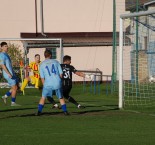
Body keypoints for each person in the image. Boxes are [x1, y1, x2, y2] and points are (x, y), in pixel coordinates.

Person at [36, 50, 69, 116]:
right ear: (50, 55)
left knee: (43, 97)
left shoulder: (42, 64)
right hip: (57, 82)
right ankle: (65, 111)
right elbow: (61, 75)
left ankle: (39, 112)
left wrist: (44, 86)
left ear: (44, 55)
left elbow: (42, 78)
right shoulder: (56, 62)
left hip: (47, 83)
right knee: (61, 97)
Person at [0, 42, 20, 106]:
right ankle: (13, 103)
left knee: (16, 86)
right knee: (15, 87)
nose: (7, 47)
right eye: (5, 46)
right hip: (8, 74)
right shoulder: (1, 55)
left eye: (7, 46)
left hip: (12, 73)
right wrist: (8, 73)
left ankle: (5, 96)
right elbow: (2, 65)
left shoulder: (6, 54)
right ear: (1, 47)